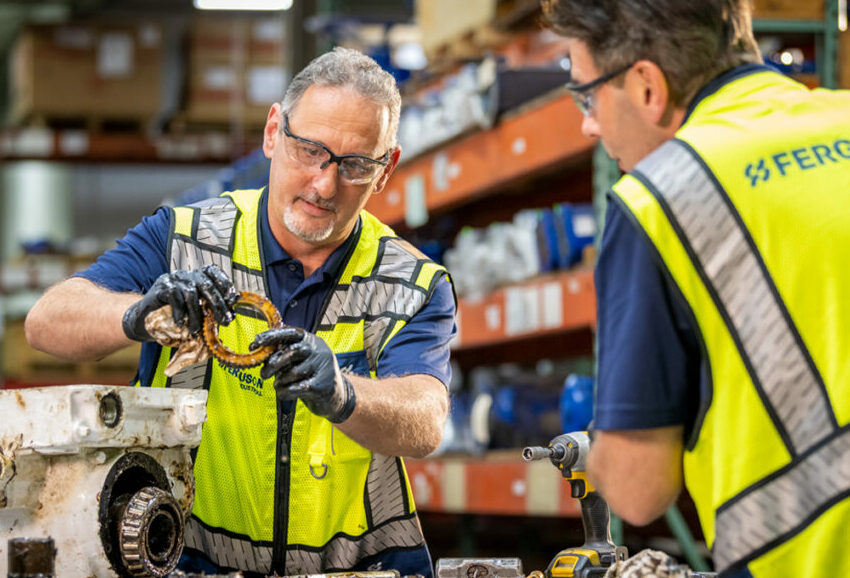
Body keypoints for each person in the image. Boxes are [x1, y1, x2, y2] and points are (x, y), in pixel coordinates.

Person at [25, 46, 456, 577]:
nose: (324, 185)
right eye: (310, 151)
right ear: (274, 131)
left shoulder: (412, 282)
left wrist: (343, 392)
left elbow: (426, 420)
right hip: (188, 561)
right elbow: (47, 322)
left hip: (357, 567)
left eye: (354, 165)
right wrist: (139, 313)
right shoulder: (181, 238)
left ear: (385, 169)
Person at [542, 1, 850, 577]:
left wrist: (605, 435)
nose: (589, 123)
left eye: (587, 96)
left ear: (647, 87)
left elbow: (638, 491)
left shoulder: (658, 201)